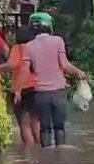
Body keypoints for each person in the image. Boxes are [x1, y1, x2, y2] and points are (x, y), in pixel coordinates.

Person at [23, 12, 87, 147]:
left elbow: (25, 70)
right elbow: (64, 65)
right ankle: (60, 157)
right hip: (58, 92)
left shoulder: (28, 46)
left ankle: (46, 158)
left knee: (45, 128)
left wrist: (18, 90)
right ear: (49, 26)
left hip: (40, 93)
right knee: (59, 127)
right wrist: (79, 72)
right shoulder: (58, 41)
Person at [0, 26, 39, 146]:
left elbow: (13, 64)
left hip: (22, 89)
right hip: (38, 88)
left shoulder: (18, 48)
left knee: (24, 123)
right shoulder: (37, 48)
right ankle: (41, 151)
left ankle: (29, 154)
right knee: (36, 121)